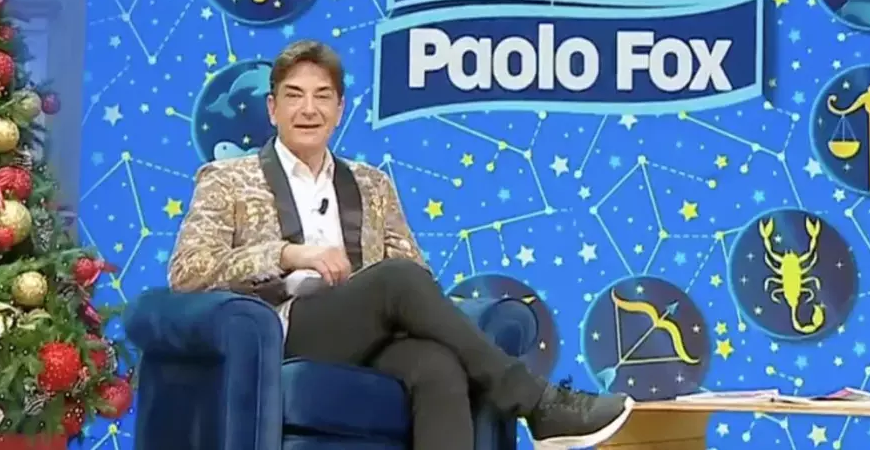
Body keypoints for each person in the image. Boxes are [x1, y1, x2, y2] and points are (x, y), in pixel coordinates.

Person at [168, 40, 634, 449]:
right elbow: (188, 271)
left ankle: (534, 404)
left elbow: (415, 273)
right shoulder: (228, 180)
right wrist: (287, 254)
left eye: (322, 96)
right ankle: (536, 401)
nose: (308, 109)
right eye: (294, 96)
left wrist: (390, 297)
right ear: (273, 109)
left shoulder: (373, 185)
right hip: (282, 330)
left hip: (366, 330)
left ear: (339, 109)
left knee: (438, 366)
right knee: (396, 281)